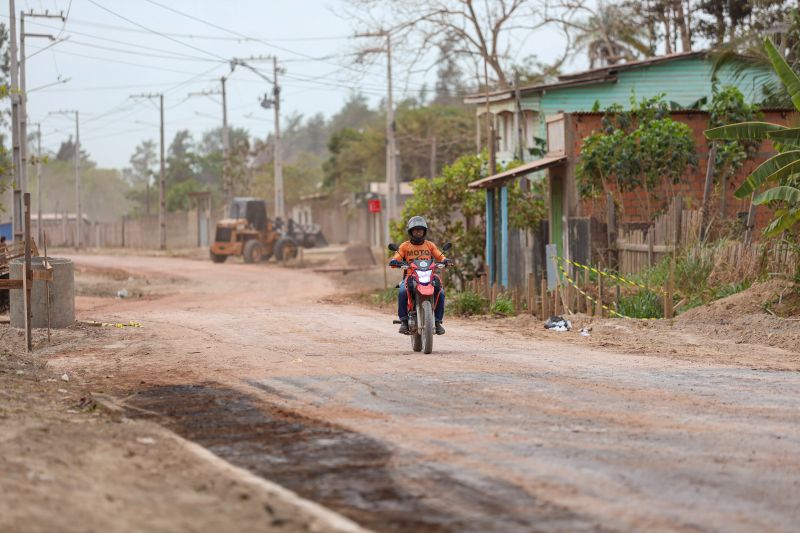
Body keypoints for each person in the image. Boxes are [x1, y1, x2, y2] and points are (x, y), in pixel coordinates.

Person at [389, 216, 451, 335]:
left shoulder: (430, 245)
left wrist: (445, 260)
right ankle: (404, 321)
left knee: (441, 292)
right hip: (410, 275)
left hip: (429, 275)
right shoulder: (404, 246)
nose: (418, 232)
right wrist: (395, 261)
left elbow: (439, 255)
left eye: (420, 229)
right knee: (402, 291)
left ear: (424, 231)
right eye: (415, 230)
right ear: (411, 231)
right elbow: (397, 256)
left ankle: (437, 322)